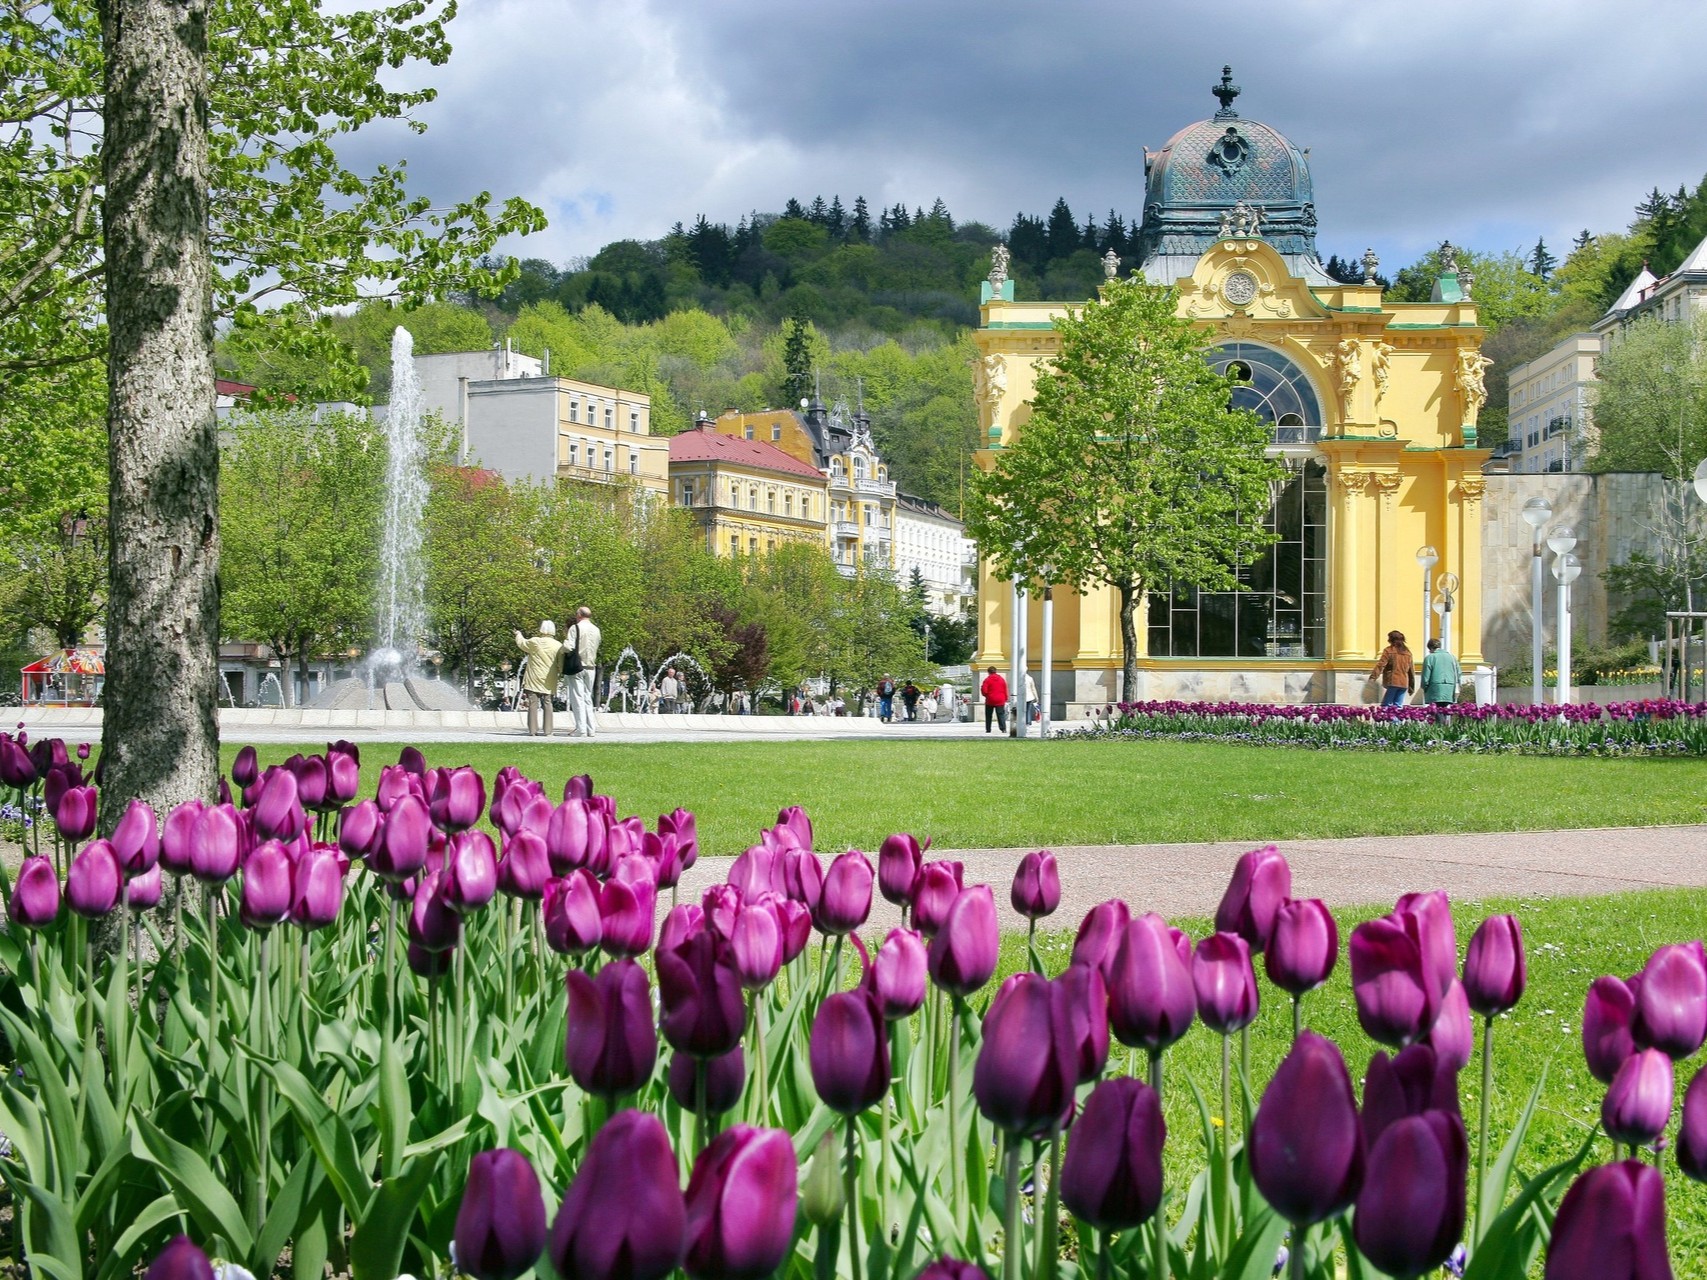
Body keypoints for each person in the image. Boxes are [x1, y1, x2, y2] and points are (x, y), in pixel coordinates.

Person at [514, 620, 564, 737]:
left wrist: (518, 634)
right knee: (548, 703)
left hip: (534, 677)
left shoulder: (535, 642)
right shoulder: (558, 645)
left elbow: (522, 643)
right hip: (549, 678)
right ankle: (548, 731)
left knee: (533, 704)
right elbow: (560, 664)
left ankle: (532, 731)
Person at [565, 606, 601, 738]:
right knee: (587, 698)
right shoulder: (596, 630)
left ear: (579, 615)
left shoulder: (575, 628)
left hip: (577, 666)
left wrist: (561, 650)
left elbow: (569, 646)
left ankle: (581, 729)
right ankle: (591, 729)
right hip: (591, 667)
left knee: (577, 698)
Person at [1369, 630, 1414, 708]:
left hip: (1393, 681)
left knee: (1386, 706)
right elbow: (1411, 671)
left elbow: (1381, 665)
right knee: (1398, 707)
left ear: (1391, 639)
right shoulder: (1408, 652)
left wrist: (1373, 677)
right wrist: (1411, 687)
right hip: (1404, 682)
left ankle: (1387, 715)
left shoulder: (1388, 650)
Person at [1420, 637, 1462, 711]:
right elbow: (1458, 672)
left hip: (1435, 687)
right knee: (1445, 709)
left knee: (1437, 710)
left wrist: (1424, 686)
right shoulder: (1452, 657)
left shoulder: (1429, 658)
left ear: (1431, 648)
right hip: (1450, 686)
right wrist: (1459, 684)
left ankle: (1441, 719)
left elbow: (1426, 676)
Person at [980, 665, 1009, 734]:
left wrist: (986, 695)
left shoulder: (987, 680)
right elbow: (1005, 689)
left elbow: (984, 690)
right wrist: (1005, 698)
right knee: (1001, 714)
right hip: (1000, 699)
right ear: (996, 671)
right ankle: (1003, 728)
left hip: (990, 699)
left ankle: (988, 729)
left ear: (988, 672)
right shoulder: (1001, 679)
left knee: (988, 715)